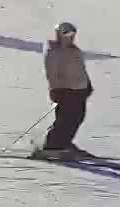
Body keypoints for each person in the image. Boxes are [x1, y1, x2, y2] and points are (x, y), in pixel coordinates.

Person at [36, 22, 94, 159]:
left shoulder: (72, 49)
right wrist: (56, 90)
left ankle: (65, 143)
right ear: (59, 35)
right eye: (67, 34)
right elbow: (51, 73)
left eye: (72, 35)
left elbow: (80, 69)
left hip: (79, 90)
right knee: (66, 120)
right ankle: (53, 146)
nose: (70, 37)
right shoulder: (54, 51)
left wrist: (87, 85)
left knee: (77, 118)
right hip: (65, 90)